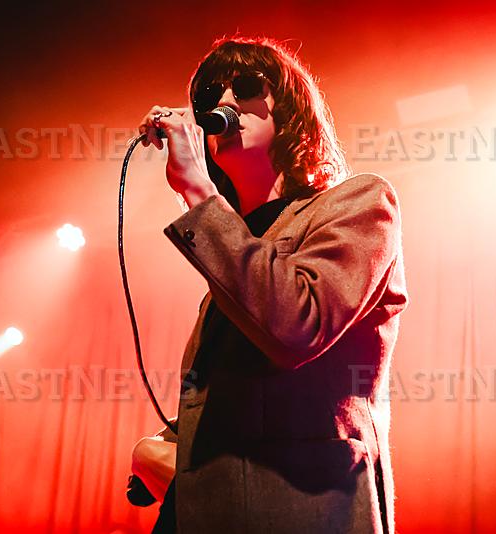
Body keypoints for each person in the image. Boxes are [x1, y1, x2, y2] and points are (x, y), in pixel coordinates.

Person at [133, 35, 408, 533]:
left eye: (244, 86)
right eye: (208, 95)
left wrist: (198, 192)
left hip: (301, 510)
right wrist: (165, 447)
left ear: (293, 108)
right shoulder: (237, 245)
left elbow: (296, 326)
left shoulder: (359, 204)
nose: (222, 103)